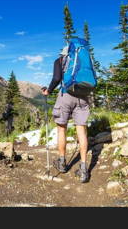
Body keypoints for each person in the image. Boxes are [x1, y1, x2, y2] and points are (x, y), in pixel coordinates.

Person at [42, 46, 90, 183]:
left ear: (63, 53)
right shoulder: (83, 60)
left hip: (66, 95)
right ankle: (83, 170)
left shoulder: (60, 60)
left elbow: (57, 78)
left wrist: (49, 90)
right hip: (83, 96)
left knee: (61, 129)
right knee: (81, 130)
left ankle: (62, 163)